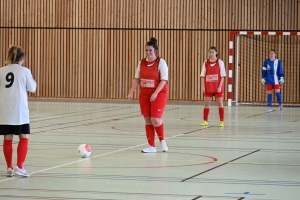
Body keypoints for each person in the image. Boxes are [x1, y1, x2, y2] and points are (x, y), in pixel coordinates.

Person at [0, 45, 37, 177]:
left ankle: (9, 168)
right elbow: (32, 88)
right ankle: (20, 166)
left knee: (7, 137)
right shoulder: (24, 71)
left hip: (5, 109)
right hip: (20, 110)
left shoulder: (1, 71)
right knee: (24, 137)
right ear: (22, 58)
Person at [128, 37, 168, 153]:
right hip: (144, 94)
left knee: (155, 119)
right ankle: (152, 146)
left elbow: (163, 80)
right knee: (148, 120)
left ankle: (162, 141)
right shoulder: (141, 63)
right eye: (146, 50)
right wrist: (131, 91)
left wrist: (155, 93)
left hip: (159, 92)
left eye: (150, 50)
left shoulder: (161, 62)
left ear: (155, 51)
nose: (148, 53)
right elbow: (137, 79)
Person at [200, 46, 226, 127]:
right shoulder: (206, 63)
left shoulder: (220, 62)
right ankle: (205, 120)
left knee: (220, 103)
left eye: (213, 52)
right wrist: (203, 87)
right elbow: (202, 76)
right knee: (206, 104)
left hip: (217, 87)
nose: (211, 54)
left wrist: (220, 86)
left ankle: (221, 121)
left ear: (216, 53)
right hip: (208, 86)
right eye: (210, 52)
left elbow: (222, 76)